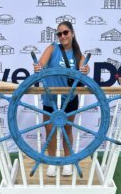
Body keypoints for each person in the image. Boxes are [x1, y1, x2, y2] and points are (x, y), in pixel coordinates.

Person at [34, 21, 90, 177]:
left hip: (69, 99)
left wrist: (85, 69)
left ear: (72, 33)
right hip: (50, 98)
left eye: (65, 32)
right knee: (50, 130)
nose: (63, 36)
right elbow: (41, 64)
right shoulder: (52, 48)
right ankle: (52, 162)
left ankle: (67, 162)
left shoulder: (79, 55)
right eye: (59, 34)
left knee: (67, 129)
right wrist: (38, 67)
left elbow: (84, 68)